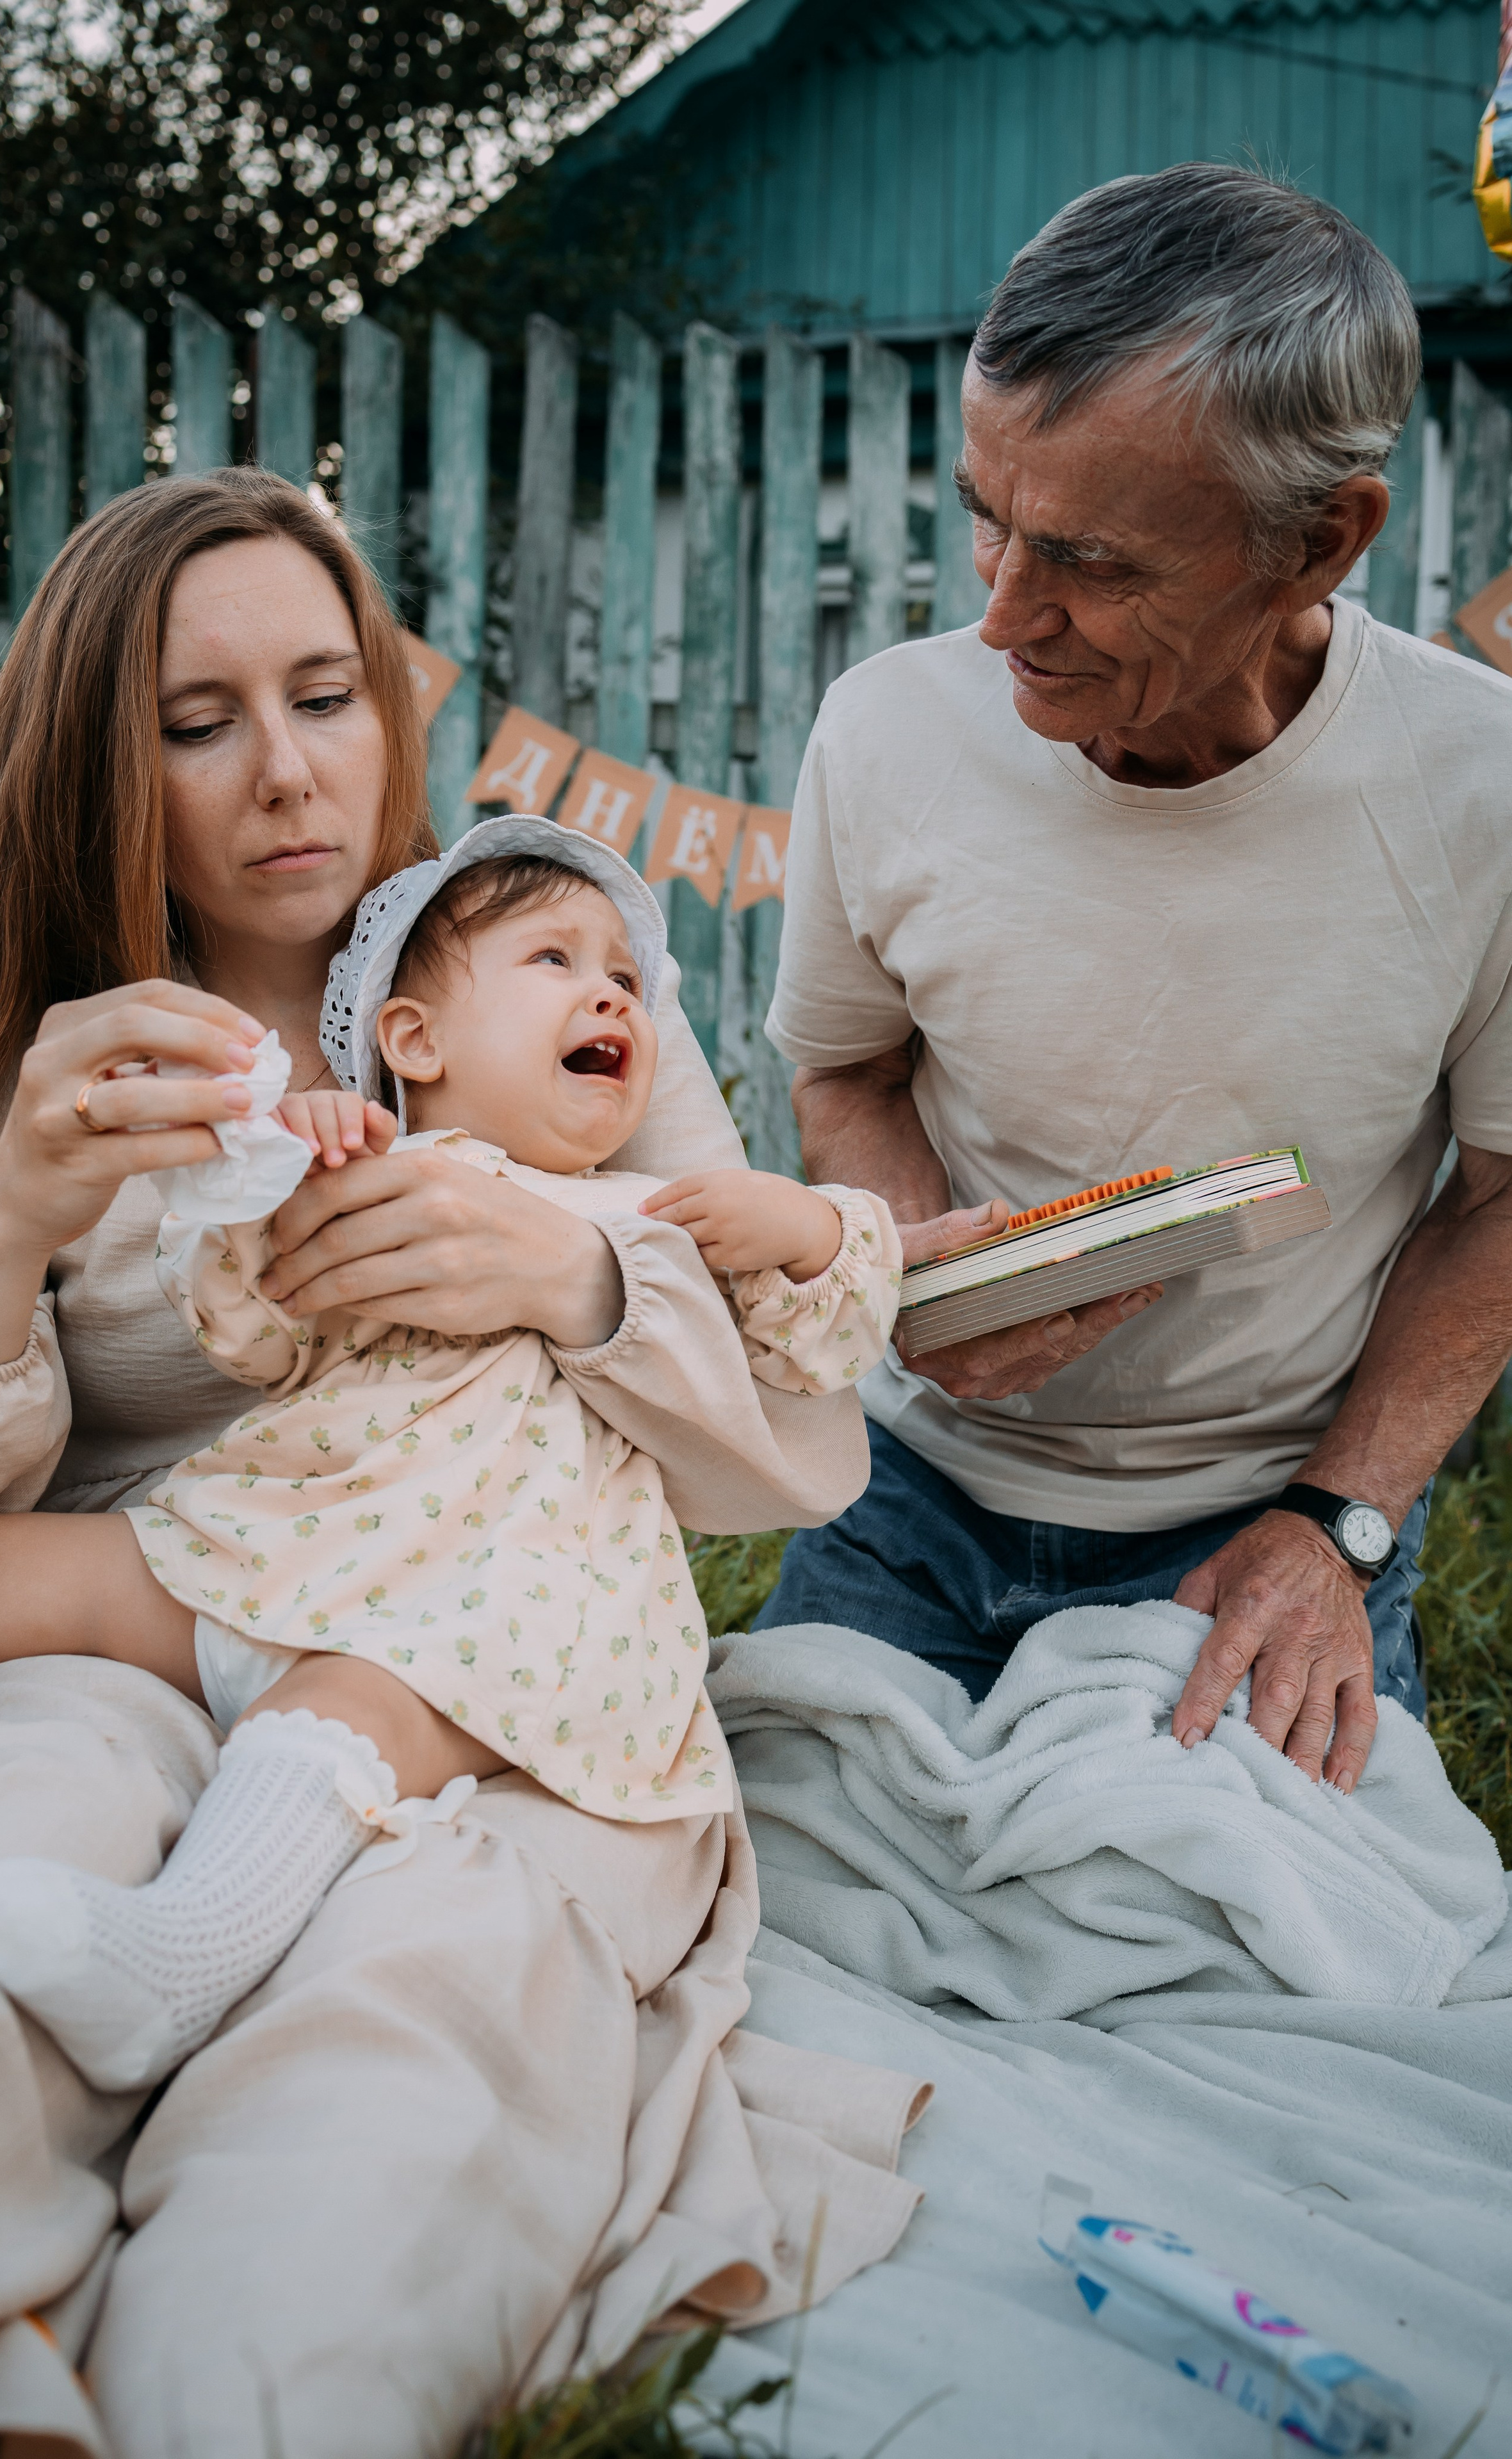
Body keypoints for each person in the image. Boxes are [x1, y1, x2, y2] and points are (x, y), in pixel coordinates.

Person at [0, 470, 900, 2458]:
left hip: (501, 1682)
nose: (286, 775)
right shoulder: (54, 1037)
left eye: (330, 696)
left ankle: (228, 2408)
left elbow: (789, 1454)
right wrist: (7, 1227)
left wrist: (582, 1276)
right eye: (198, 723)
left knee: (397, 2044)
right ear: (104, 764)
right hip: (145, 1618)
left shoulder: (550, 960)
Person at [0, 823, 897, 2093]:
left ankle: (169, 1964)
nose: (607, 991)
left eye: (624, 980)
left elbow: (821, 1342)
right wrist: (272, 1177)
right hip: (272, 1549)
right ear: (415, 1041)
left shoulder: (646, 1218)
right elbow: (241, 1329)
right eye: (554, 959)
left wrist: (801, 1225)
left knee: (336, 1711)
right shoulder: (361, 1176)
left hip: (471, 1627)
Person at [758, 162, 1512, 1798]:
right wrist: (912, 1271)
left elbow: (1502, 1195)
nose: (1002, 615)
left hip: (1267, 1519)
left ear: (1318, 541)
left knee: (1281, 1981)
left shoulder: (1482, 786)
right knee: (749, 1924)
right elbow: (847, 1072)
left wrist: (1336, 1522)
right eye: (984, 518)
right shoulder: (885, 731)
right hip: (908, 1496)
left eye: (1089, 563)